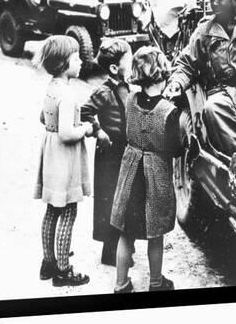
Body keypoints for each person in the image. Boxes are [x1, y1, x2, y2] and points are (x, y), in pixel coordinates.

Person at [110, 46, 183, 293]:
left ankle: (120, 284)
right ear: (162, 75)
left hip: (131, 176)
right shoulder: (169, 111)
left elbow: (125, 131)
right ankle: (156, 283)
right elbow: (176, 148)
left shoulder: (130, 99)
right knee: (156, 233)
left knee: (125, 233)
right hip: (156, 179)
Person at [163, 0, 236, 156]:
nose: (214, 3)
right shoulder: (205, 30)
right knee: (213, 107)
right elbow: (186, 63)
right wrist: (176, 83)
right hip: (220, 90)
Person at [33, 35, 93, 287]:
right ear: (63, 64)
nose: (81, 62)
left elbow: (42, 118)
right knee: (68, 209)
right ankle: (63, 270)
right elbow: (68, 134)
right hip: (65, 158)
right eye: (77, 58)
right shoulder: (67, 95)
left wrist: (56, 126)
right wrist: (86, 128)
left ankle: (48, 263)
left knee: (52, 209)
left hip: (51, 153)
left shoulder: (51, 88)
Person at [80, 39, 134, 266]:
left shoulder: (127, 88)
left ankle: (121, 249)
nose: (131, 65)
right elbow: (85, 112)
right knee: (110, 200)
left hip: (125, 151)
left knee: (125, 200)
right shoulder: (103, 91)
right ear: (114, 68)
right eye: (128, 61)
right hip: (109, 155)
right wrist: (99, 131)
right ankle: (110, 252)